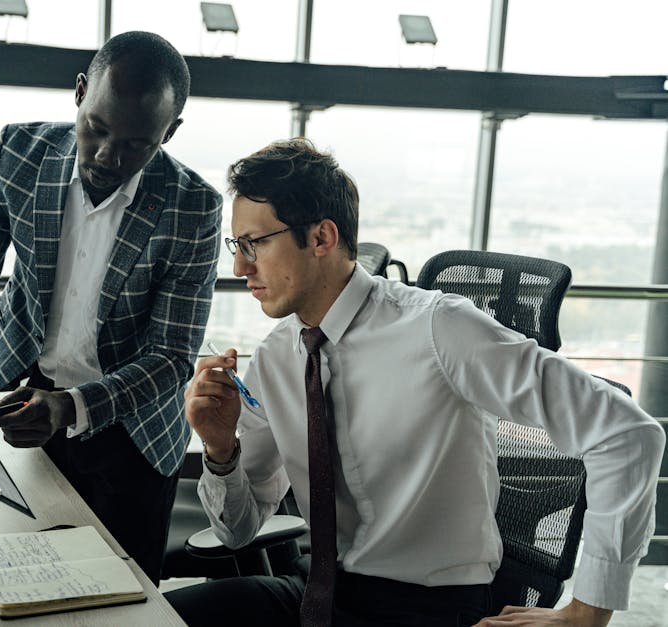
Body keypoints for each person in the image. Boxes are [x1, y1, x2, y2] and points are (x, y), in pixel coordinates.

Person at [165, 138, 664, 626]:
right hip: (321, 592)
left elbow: (628, 432)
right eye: (237, 244)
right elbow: (237, 533)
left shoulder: (438, 328)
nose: (238, 266)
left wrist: (587, 612)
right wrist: (219, 447)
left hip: (428, 607)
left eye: (254, 243)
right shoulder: (278, 355)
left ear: (321, 238)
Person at [0, 31, 222, 584]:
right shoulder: (18, 156)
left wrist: (71, 407)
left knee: (119, 602)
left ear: (169, 133)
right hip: (12, 400)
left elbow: (172, 357)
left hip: (132, 432)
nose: (107, 154)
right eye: (97, 128)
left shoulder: (193, 208)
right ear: (80, 92)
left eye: (135, 144)